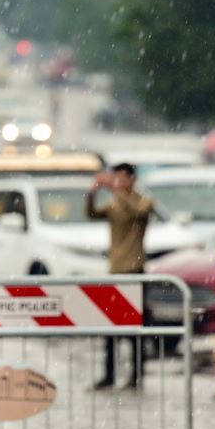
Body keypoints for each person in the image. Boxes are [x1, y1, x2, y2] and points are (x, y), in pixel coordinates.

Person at [86, 162, 155, 389]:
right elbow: (92, 213)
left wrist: (117, 192)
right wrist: (92, 193)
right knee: (110, 325)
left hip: (135, 269)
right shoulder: (114, 204)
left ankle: (137, 374)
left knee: (136, 325)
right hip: (115, 269)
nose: (119, 183)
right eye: (117, 179)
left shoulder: (143, 201)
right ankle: (109, 374)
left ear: (132, 179)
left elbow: (139, 212)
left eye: (123, 178)